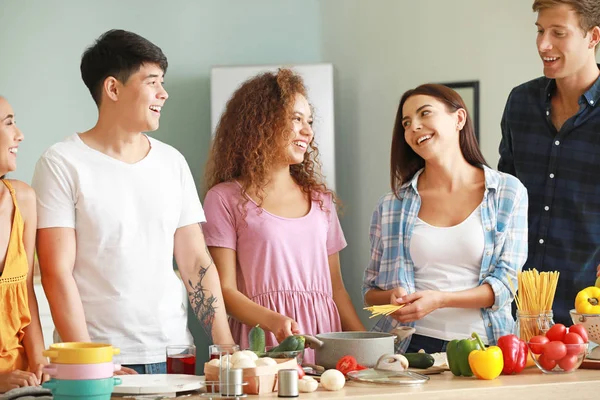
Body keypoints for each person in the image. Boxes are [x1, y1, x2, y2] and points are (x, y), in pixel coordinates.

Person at [31, 29, 234, 375]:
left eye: (162, 82)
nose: (164, 93)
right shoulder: (61, 163)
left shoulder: (172, 162)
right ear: (112, 88)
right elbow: (55, 272)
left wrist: (226, 348)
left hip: (173, 352)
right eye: (152, 82)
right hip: (100, 357)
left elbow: (195, 262)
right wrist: (92, 363)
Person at [202, 69, 365, 363]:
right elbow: (224, 290)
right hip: (264, 345)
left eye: (309, 121)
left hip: (323, 341)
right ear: (260, 123)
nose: (308, 131)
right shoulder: (224, 199)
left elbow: (337, 290)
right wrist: (273, 321)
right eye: (296, 119)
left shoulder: (321, 201)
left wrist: (366, 346)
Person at [363, 84, 528, 354]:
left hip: (486, 348)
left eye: (424, 113)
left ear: (459, 119)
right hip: (410, 348)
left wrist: (440, 299)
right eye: (406, 123)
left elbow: (506, 285)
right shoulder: (391, 204)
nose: (414, 126)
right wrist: (391, 298)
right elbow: (370, 294)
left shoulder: (508, 193)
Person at [499, 0, 600, 326]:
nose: (544, 44)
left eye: (559, 33)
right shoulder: (520, 102)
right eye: (541, 31)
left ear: (593, 37)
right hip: (515, 307)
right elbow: (502, 200)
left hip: (588, 309)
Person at [0, 96, 49, 392]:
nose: (20, 134)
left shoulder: (23, 199)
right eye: (8, 123)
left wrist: (40, 362)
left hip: (21, 385)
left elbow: (26, 291)